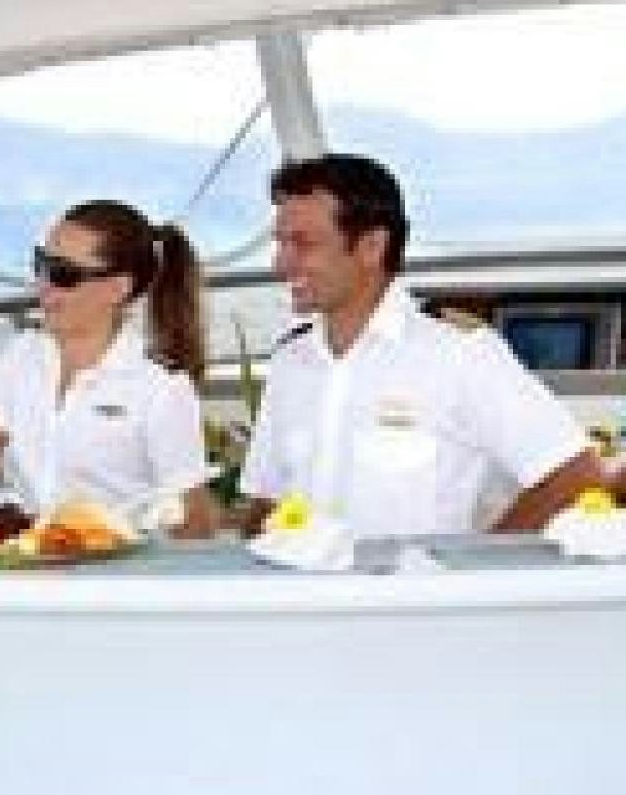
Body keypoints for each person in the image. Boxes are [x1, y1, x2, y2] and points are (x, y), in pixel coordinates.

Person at [241, 153, 600, 537]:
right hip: (307, 595)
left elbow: (575, 475)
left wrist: (474, 570)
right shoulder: (291, 363)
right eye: (281, 243)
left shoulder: (460, 355)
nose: (281, 263)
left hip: (410, 594)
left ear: (372, 246)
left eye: (303, 243)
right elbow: (268, 503)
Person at [0, 200, 216, 536]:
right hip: (23, 562)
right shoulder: (22, 357)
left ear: (119, 288)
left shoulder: (161, 387)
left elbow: (195, 518)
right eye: (42, 265)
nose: (44, 286)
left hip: (116, 574)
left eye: (64, 274)